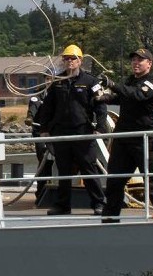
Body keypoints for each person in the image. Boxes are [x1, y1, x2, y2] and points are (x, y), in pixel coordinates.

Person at [32, 45, 105, 215]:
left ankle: (98, 203)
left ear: (80, 60)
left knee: (88, 168)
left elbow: (100, 106)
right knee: (63, 170)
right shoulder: (57, 82)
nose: (69, 61)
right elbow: (47, 107)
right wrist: (44, 128)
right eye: (66, 58)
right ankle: (63, 205)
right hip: (62, 133)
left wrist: (100, 127)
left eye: (73, 58)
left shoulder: (91, 81)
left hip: (83, 132)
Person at [97, 48, 153, 223]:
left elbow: (137, 95)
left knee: (152, 181)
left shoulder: (152, 82)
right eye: (133, 60)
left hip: (144, 138)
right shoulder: (129, 81)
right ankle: (110, 218)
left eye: (140, 60)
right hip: (124, 138)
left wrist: (112, 84)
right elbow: (122, 97)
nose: (135, 63)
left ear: (149, 63)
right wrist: (102, 97)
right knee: (114, 180)